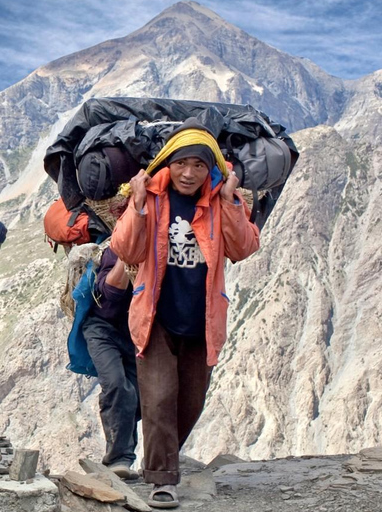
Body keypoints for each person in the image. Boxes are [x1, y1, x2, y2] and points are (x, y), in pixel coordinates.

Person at [111, 119, 260, 508]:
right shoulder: (153, 198)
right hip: (155, 316)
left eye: (198, 165)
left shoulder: (220, 201)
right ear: (168, 164)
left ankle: (161, 460)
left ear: (210, 167)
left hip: (203, 321)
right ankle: (162, 480)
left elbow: (243, 247)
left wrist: (229, 200)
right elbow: (126, 250)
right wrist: (139, 206)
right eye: (181, 164)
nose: (188, 173)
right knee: (159, 397)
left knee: (190, 402)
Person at [82, 246, 140, 479]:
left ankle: (126, 457)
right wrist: (129, 256)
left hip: (135, 331)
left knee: (137, 394)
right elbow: (111, 294)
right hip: (101, 328)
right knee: (115, 383)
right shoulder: (114, 251)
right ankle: (118, 459)